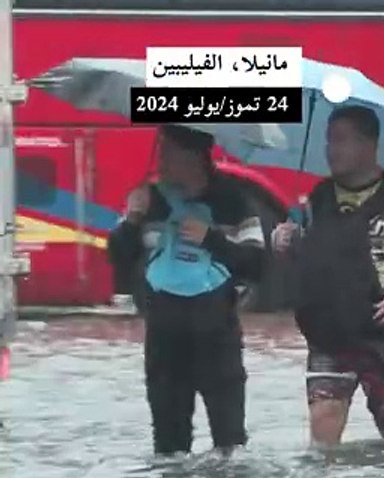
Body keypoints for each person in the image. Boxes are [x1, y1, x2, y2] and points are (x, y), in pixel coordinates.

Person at [271, 106, 384, 445]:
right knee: (323, 427)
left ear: (369, 146)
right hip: (328, 333)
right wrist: (286, 243)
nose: (331, 150)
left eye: (341, 141)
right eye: (328, 140)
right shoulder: (319, 197)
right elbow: (310, 260)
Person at [106, 125, 266, 456]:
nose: (161, 160)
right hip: (164, 342)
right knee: (169, 447)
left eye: (169, 152)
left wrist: (212, 238)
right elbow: (119, 262)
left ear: (194, 157)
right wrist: (132, 220)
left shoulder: (232, 201)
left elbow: (256, 266)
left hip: (217, 342)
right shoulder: (151, 200)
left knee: (230, 445)